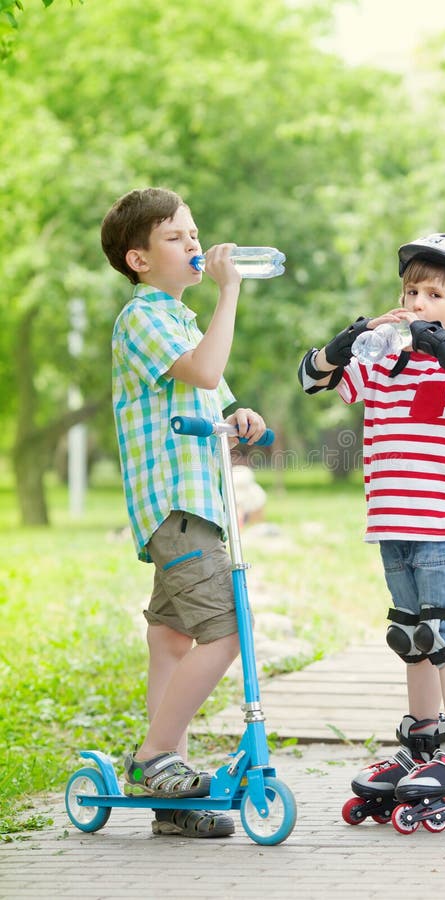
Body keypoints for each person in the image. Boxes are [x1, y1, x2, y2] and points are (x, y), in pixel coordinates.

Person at [298, 233, 445, 820]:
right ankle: (422, 745)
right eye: (411, 291)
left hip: (441, 523)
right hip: (391, 522)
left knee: (442, 632)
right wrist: (351, 340)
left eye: (434, 295)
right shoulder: (384, 362)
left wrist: (442, 345)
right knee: (410, 636)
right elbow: (313, 379)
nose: (416, 303)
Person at [101, 187, 267, 838]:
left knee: (171, 637)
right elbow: (202, 372)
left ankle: (169, 798)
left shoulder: (180, 320)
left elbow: (213, 393)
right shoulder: (141, 319)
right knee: (226, 631)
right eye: (176, 238)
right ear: (139, 259)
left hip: (202, 505)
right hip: (176, 508)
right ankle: (153, 759)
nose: (196, 247)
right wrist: (229, 292)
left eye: (196, 234)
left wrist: (238, 416)